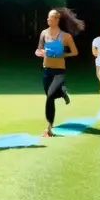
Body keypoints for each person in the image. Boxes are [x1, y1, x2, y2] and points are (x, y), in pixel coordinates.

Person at [36, 7, 83, 137]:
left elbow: (75, 52)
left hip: (59, 72)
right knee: (50, 96)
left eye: (50, 17)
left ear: (57, 20)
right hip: (46, 70)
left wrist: (62, 54)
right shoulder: (44, 33)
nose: (47, 19)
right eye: (47, 17)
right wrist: (43, 53)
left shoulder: (65, 36)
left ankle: (49, 128)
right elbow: (38, 50)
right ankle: (62, 92)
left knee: (50, 96)